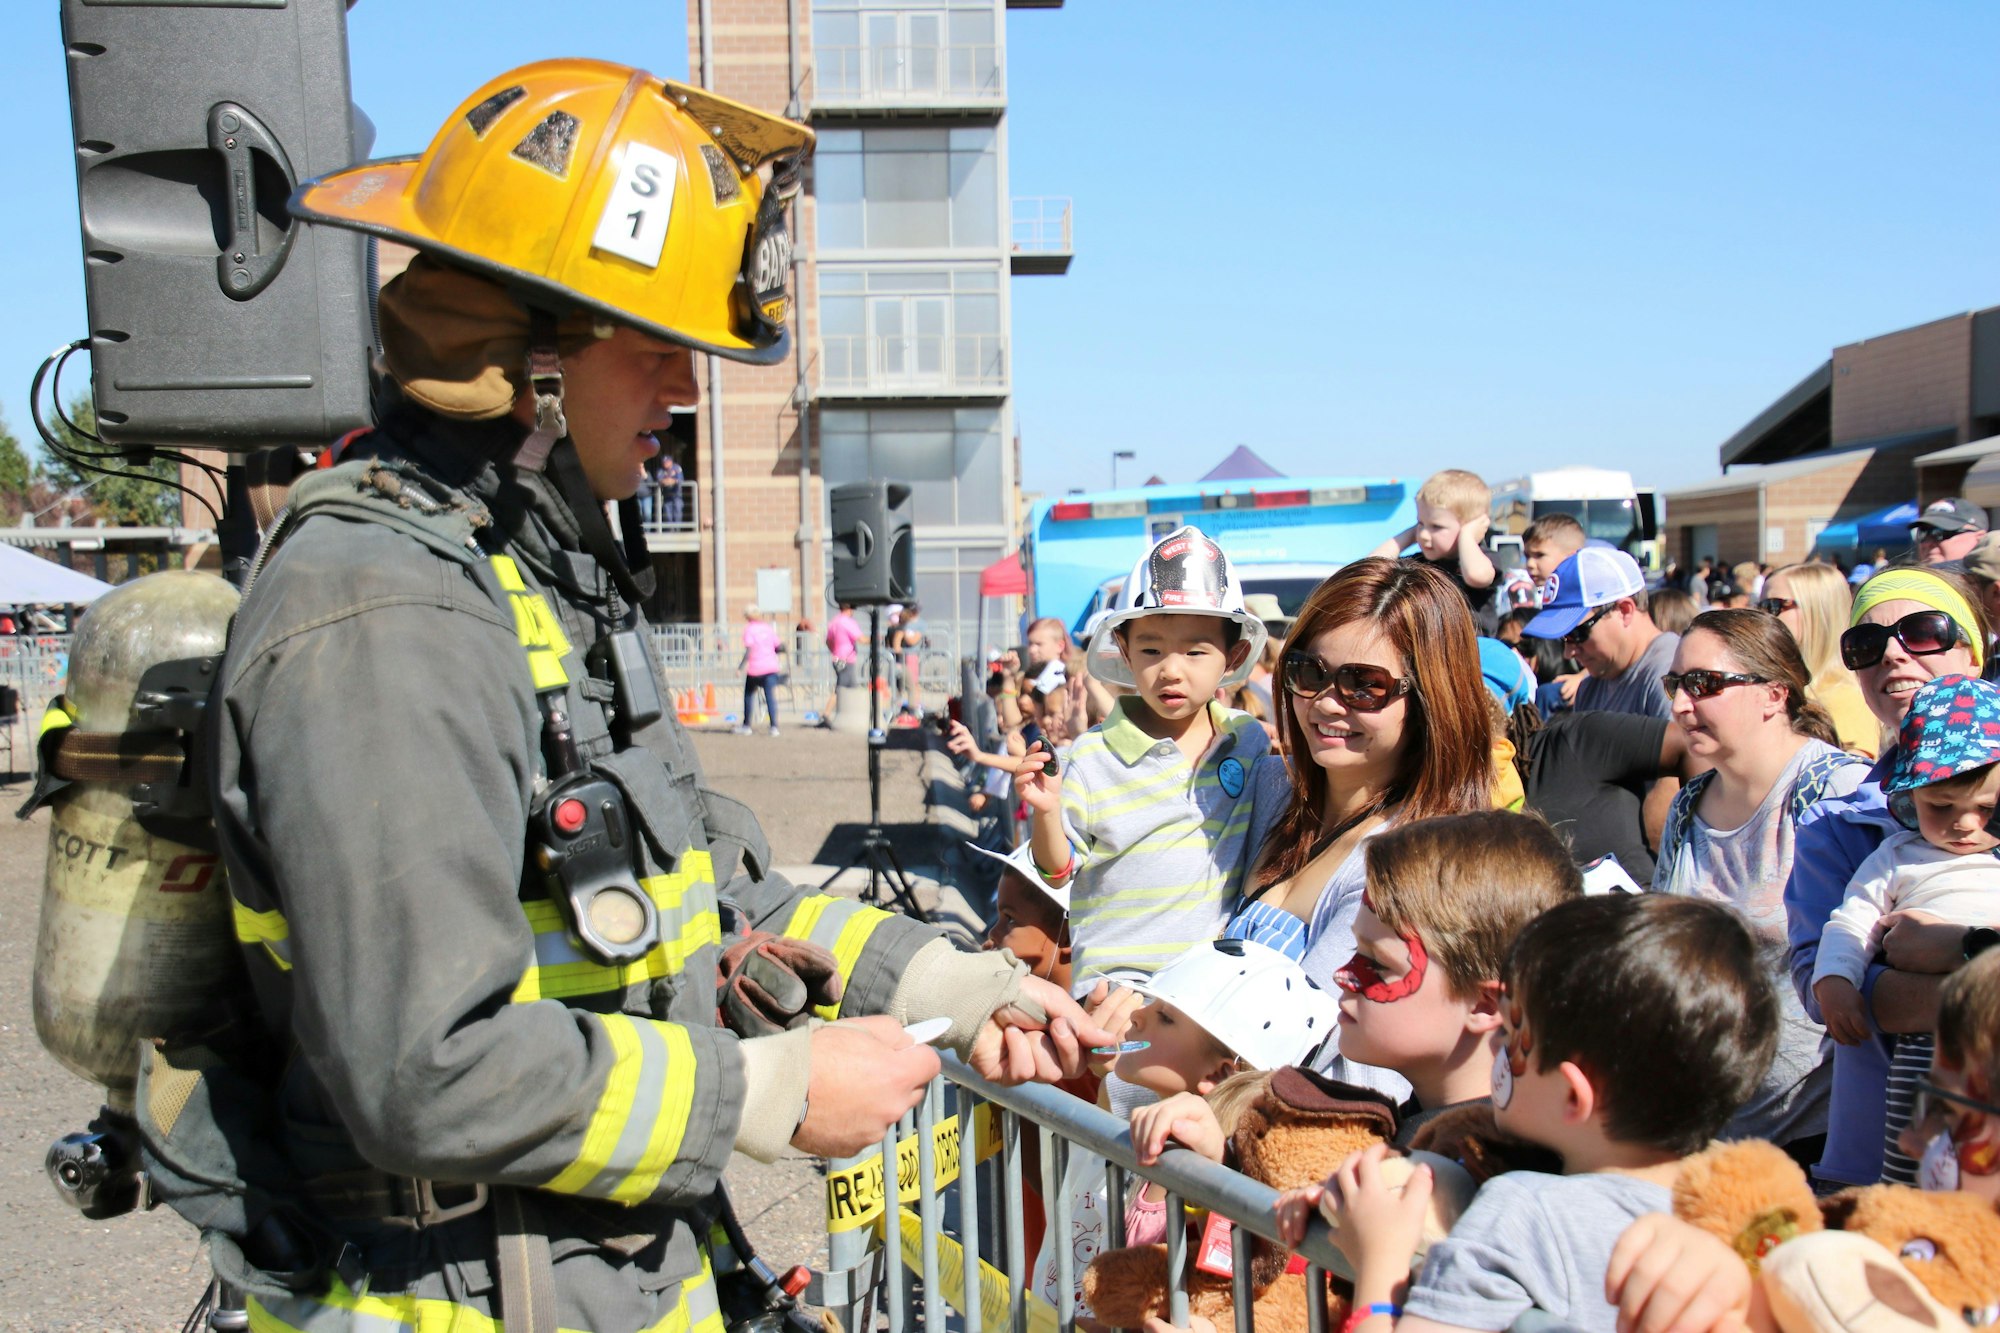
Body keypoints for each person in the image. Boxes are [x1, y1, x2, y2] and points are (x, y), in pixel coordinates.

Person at [208, 61, 1107, 1332]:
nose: (687, 393)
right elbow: (425, 1067)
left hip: (591, 1275)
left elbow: (711, 893)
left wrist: (957, 989)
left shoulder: (545, 576)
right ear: (523, 359)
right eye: (653, 348)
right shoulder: (389, 616)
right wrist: (760, 1092)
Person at [1313, 894, 1778, 1333]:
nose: (1495, 1043)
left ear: (1574, 1098)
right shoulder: (1742, 1234)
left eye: (1513, 1037)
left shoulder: (1525, 1212)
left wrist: (1378, 1262)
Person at [1226, 558, 1491, 1093]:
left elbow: (1326, 1059)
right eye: (1309, 671)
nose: (1326, 702)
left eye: (1364, 685)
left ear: (1431, 700)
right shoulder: (1272, 788)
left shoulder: (1412, 860)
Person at [1785, 564, 1993, 1187]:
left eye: (1924, 631)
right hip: (1880, 1150)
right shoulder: (1835, 820)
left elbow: (1894, 991)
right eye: (1867, 645)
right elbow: (1825, 982)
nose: (1894, 655)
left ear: (1975, 654)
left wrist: (1958, 948)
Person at [1652, 609, 1869, 1163]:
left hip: (1822, 1136)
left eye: (1703, 685)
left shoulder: (1836, 792)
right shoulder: (1686, 807)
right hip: (1706, 1131)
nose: (1681, 705)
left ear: (1774, 694)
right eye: (1676, 684)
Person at [1016, 526, 1268, 992]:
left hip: (1209, 993)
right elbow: (1057, 872)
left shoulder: (1247, 740)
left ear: (1232, 657)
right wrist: (1047, 812)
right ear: (1126, 653)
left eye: (1195, 651)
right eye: (1151, 649)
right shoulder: (1091, 756)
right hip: (1117, 989)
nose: (1171, 669)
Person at [1812, 672, 2000, 1183]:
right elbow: (1852, 921)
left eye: (1987, 809)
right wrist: (1835, 982)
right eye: (1942, 807)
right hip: (1924, 1044)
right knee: (1913, 1163)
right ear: (1910, 797)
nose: (1965, 823)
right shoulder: (1895, 855)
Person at [1109, 940, 1337, 1243]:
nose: (1138, 1015)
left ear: (1220, 1073)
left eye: (1165, 1018)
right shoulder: (1155, 1132)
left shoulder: (1211, 1174)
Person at [1525, 547, 1679, 723]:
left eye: (1577, 634)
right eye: (1564, 639)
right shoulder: (1589, 687)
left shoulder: (1670, 673)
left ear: (1624, 611)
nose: (1569, 653)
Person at [1760, 560, 1879, 757]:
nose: (1760, 615)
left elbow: (1847, 782)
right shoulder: (1778, 687)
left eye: (1772, 606)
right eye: (1758, 605)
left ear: (1815, 609)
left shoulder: (1849, 698)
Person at [1371, 469, 1498, 629]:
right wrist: (1412, 534)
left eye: (1436, 526)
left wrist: (1467, 535)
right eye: (1420, 523)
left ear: (1472, 526)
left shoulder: (1483, 559)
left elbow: (1476, 576)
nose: (1424, 535)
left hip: (1476, 650)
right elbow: (1373, 566)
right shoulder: (1419, 562)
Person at [735, 604, 783, 736]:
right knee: (770, 697)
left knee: (749, 695)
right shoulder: (768, 628)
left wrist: (740, 667)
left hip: (756, 668)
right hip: (771, 667)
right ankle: (774, 727)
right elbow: (778, 646)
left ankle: (747, 725)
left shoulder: (749, 630)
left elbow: (749, 650)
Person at [1912, 496, 1989, 567]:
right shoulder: (1909, 579)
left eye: (1941, 533)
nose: (1927, 543)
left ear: (1980, 539)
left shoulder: (1994, 580)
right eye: (1923, 533)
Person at [1521, 513, 1586, 587]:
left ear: (1571, 558)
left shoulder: (1585, 596)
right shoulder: (1529, 593)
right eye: (1527, 556)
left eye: (1540, 555)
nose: (1530, 564)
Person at [823, 601, 861, 725]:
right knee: (841, 689)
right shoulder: (848, 622)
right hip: (847, 660)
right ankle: (826, 714)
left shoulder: (834, 621)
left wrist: (835, 651)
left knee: (852, 688)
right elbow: (860, 638)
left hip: (838, 658)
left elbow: (828, 641)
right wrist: (876, 638)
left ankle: (853, 714)